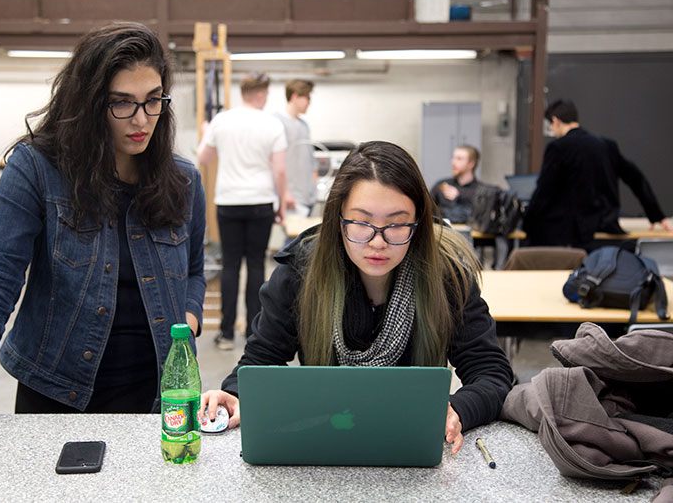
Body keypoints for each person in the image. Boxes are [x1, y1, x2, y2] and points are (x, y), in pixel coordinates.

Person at [0, 22, 206, 444]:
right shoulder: (37, 169)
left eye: (153, 101)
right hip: (58, 390)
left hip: (162, 395)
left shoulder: (183, 179)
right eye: (122, 104)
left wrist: (186, 323)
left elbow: (193, 270)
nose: (141, 120)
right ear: (89, 103)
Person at [201, 141, 513, 453]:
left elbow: (491, 372)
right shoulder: (301, 271)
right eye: (362, 223)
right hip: (322, 441)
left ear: (418, 222)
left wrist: (458, 408)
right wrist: (237, 394)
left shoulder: (447, 275)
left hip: (413, 447)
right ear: (338, 218)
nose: (378, 242)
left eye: (396, 224)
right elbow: (261, 361)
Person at [197, 72, 294, 351]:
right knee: (255, 265)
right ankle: (253, 330)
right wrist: (279, 205)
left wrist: (206, 134)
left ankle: (226, 334)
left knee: (230, 265)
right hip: (260, 202)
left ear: (244, 92)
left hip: (228, 200)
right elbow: (279, 170)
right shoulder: (272, 124)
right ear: (262, 94)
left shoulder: (222, 120)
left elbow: (203, 157)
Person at [524, 99, 672, 248]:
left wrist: (526, 222)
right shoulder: (606, 145)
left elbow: (544, 192)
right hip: (607, 230)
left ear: (555, 121)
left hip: (571, 235)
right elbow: (636, 179)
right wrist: (655, 215)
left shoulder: (558, 148)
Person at [275, 79, 318, 218]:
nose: (309, 102)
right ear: (295, 96)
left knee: (305, 238)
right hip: (292, 197)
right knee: (292, 238)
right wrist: (285, 193)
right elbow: (275, 163)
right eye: (307, 97)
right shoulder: (278, 123)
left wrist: (314, 184)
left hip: (308, 196)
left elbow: (310, 159)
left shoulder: (304, 125)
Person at [430, 145, 482, 224]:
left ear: (471, 164)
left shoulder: (480, 191)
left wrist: (458, 199)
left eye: (459, 159)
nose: (453, 162)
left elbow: (476, 219)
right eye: (453, 158)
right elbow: (427, 210)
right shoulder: (441, 185)